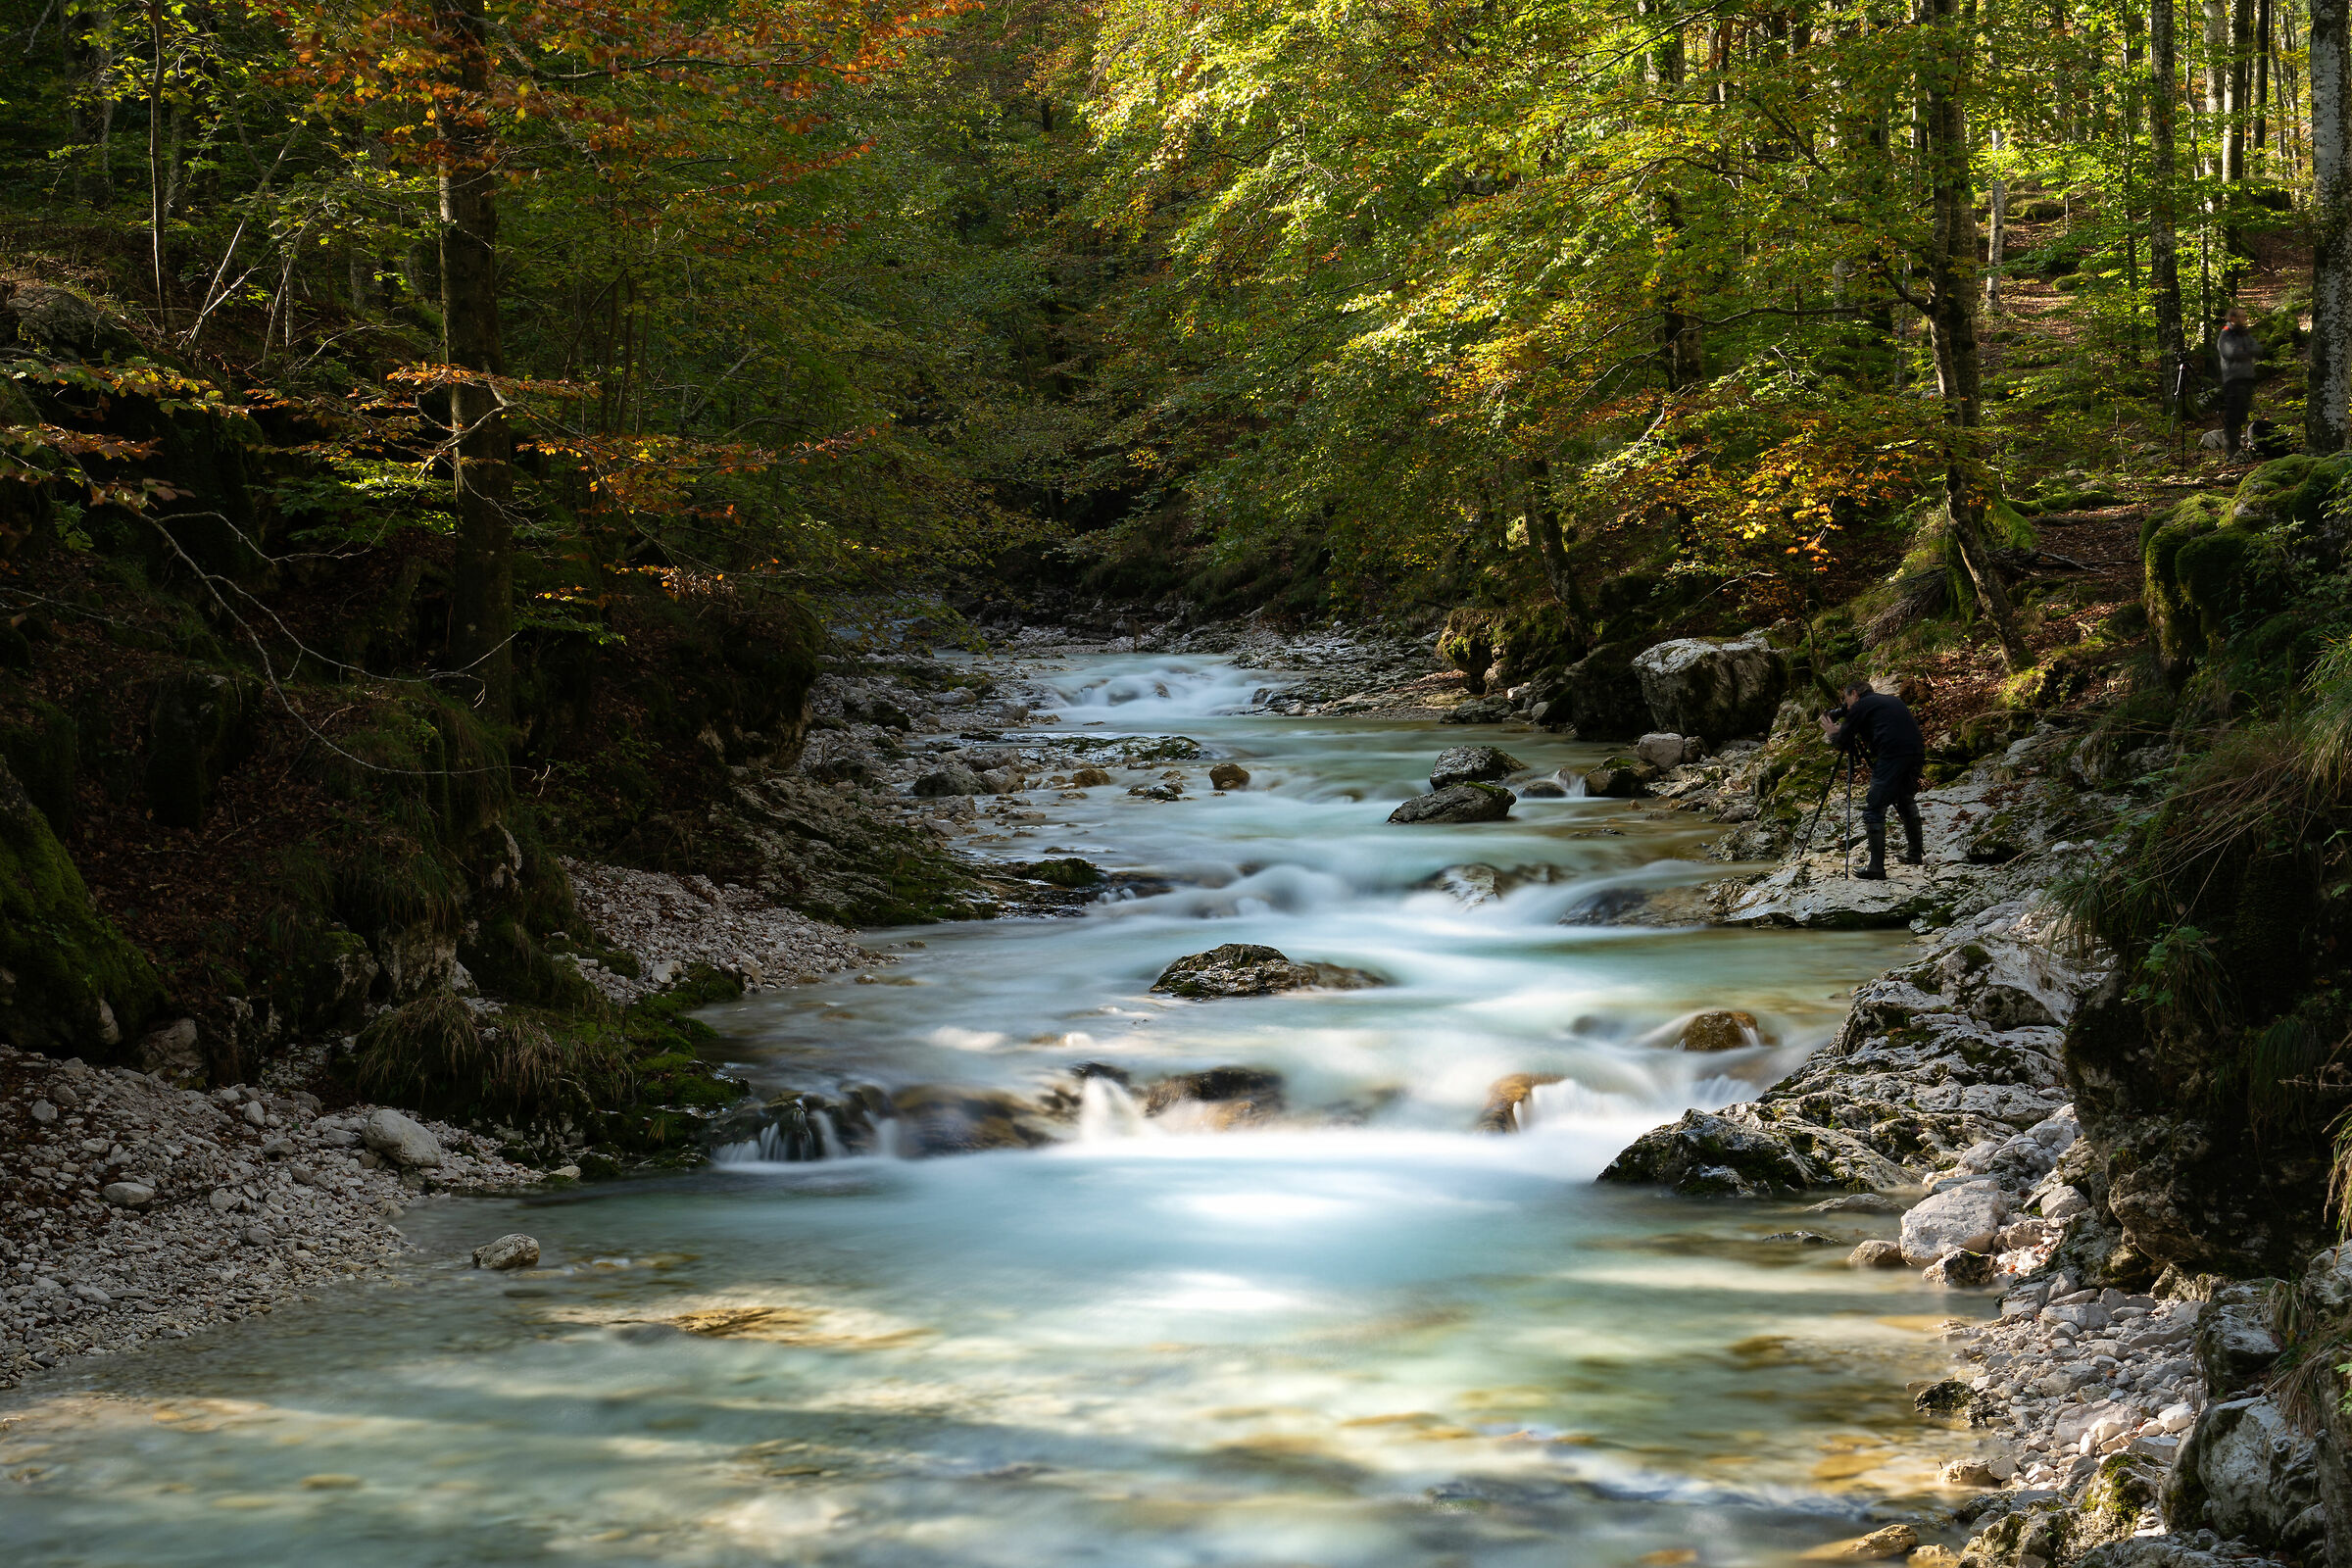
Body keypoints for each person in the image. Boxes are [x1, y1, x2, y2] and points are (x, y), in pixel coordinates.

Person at [1818, 680, 1926, 881]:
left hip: (1892, 755)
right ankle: (1914, 856)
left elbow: (1842, 741)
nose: (1846, 706)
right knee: (1905, 800)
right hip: (1915, 753)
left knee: (1874, 809)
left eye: (1846, 699)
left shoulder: (1860, 706)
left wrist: (1833, 733)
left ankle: (1876, 868)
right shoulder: (1888, 701)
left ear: (1855, 694)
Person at [2217, 307, 2261, 460]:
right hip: (2233, 380)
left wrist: (2244, 350)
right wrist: (2246, 351)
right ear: (2233, 318)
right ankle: (2231, 449)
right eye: (2242, 316)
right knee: (2233, 415)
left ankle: (2236, 448)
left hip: (2247, 377)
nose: (2245, 319)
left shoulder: (2245, 333)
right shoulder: (2226, 334)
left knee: (2242, 414)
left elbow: (2258, 349)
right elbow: (2231, 353)